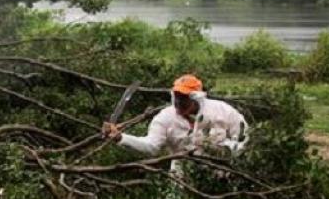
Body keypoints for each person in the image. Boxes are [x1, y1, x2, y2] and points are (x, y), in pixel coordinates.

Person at [102, 74, 248, 175]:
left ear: (196, 98)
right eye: (177, 97)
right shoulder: (165, 118)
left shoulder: (222, 110)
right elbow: (151, 146)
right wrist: (121, 138)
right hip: (182, 181)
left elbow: (244, 137)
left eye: (184, 98)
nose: (179, 102)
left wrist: (227, 151)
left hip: (219, 177)